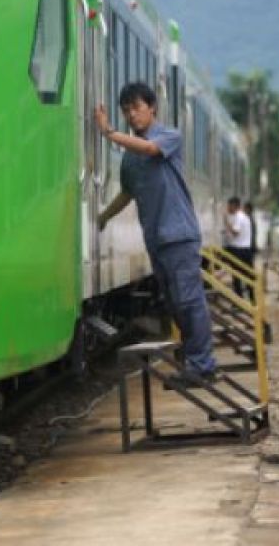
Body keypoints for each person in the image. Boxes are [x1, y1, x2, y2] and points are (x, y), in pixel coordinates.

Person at [96, 82, 219, 384]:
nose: (132, 115)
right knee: (176, 304)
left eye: (137, 108)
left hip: (179, 235)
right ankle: (194, 363)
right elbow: (127, 193)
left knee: (190, 301)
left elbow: (150, 149)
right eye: (126, 111)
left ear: (152, 108)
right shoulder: (129, 157)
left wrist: (110, 133)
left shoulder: (168, 136)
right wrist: (102, 217)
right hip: (156, 239)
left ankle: (203, 366)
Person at [222, 197, 254, 300]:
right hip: (246, 250)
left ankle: (239, 300)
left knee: (237, 277)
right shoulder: (244, 216)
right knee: (248, 275)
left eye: (229, 205)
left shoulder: (239, 217)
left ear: (234, 206)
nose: (227, 208)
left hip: (239, 250)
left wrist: (226, 222)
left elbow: (236, 232)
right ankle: (252, 299)